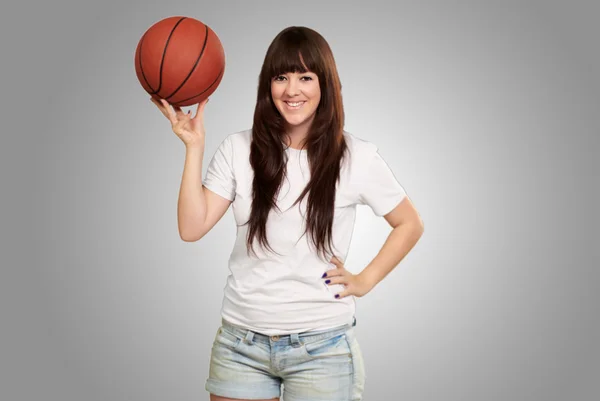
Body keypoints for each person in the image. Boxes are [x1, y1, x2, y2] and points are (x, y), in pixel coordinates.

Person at [152, 26, 424, 401]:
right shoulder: (237, 148)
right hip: (240, 344)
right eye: (281, 77)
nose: (292, 90)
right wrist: (193, 146)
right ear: (268, 85)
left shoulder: (356, 156)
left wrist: (365, 280)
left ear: (325, 84)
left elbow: (409, 223)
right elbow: (191, 227)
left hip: (322, 347)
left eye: (305, 77)